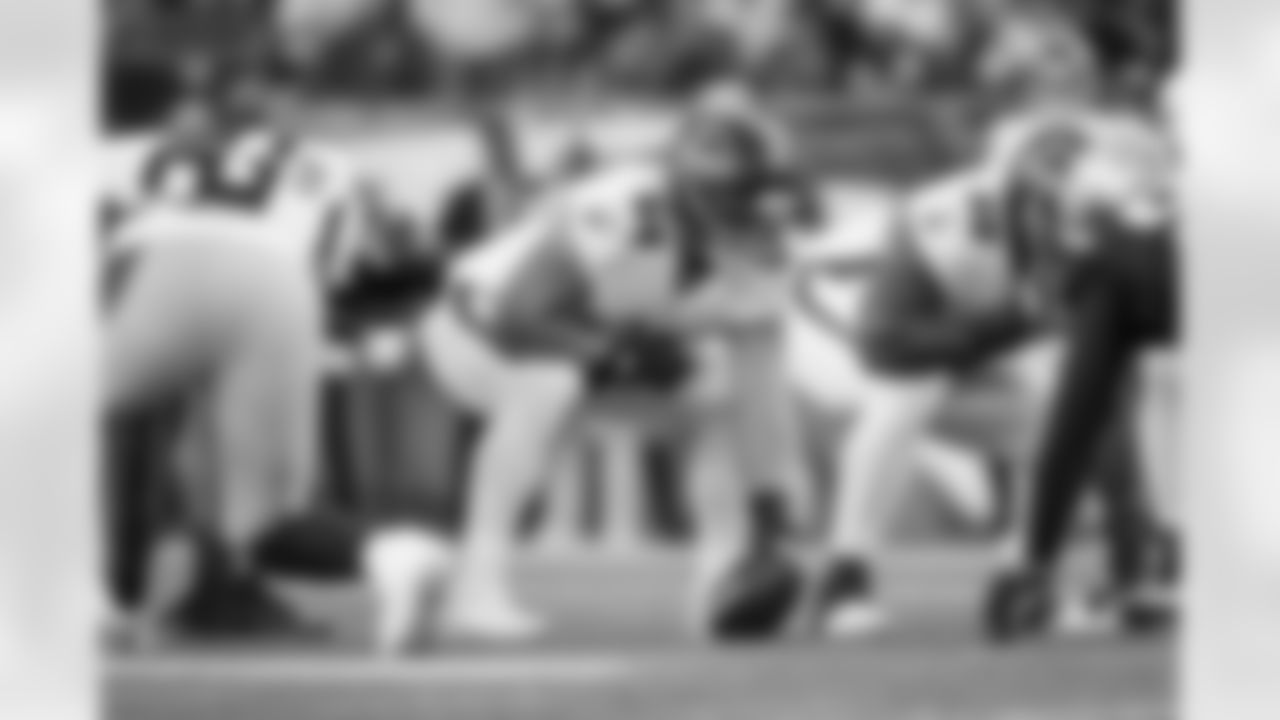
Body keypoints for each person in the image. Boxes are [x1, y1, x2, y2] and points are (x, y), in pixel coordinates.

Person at [419, 96, 803, 642]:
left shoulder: (758, 253)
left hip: (580, 341)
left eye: (767, 190)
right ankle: (474, 588)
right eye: (747, 191)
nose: (762, 209)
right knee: (547, 384)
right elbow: (519, 314)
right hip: (471, 331)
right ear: (706, 187)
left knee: (715, 391)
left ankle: (723, 577)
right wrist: (614, 354)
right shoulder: (629, 206)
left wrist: (770, 512)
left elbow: (761, 389)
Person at [103, 61, 448, 654]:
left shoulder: (148, 151)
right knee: (261, 515)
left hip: (156, 267)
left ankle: (104, 594)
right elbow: (409, 263)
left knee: (95, 424)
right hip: (280, 288)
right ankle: (391, 555)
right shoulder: (340, 167)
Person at [983, 96, 1179, 642]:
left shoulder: (1092, 248)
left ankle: (1070, 569)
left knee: (1089, 420)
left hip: (1135, 274)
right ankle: (1147, 570)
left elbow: (1068, 433)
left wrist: (1033, 560)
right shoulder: (1132, 151)